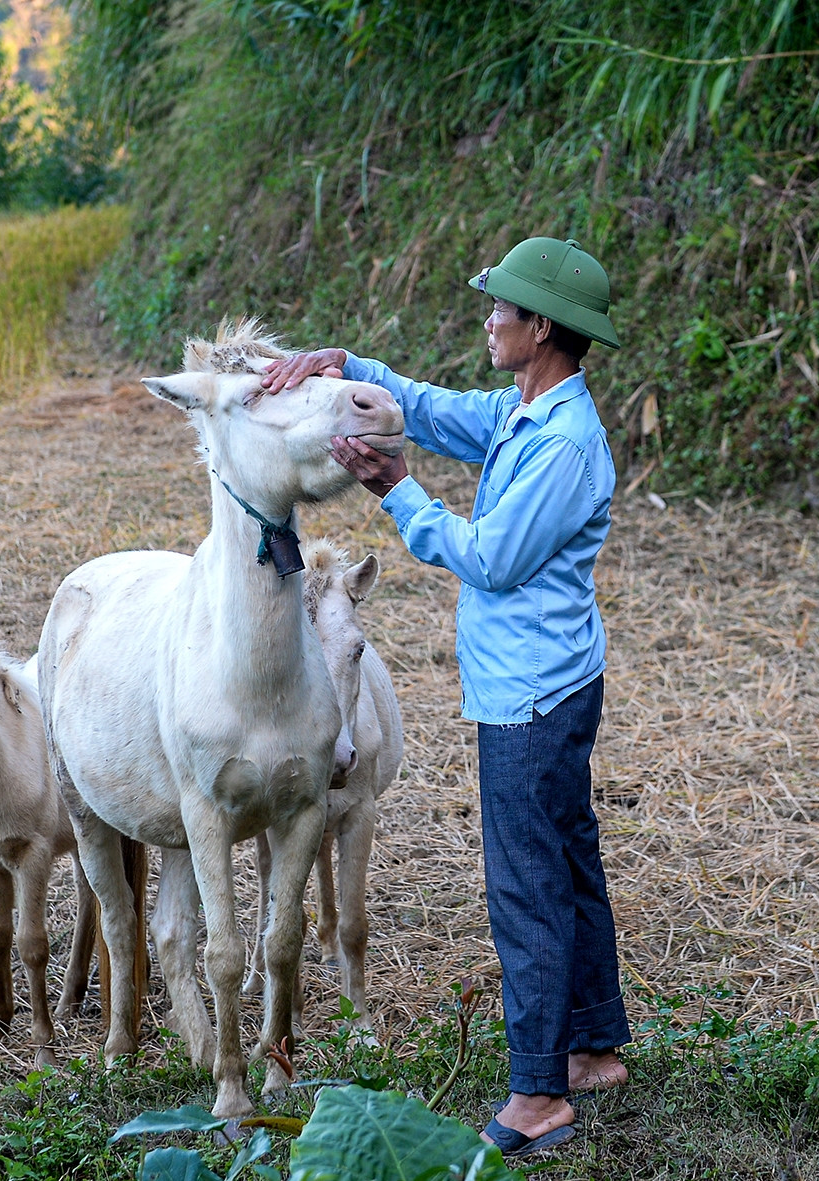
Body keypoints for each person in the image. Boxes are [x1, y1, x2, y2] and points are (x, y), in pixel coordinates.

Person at [261, 237, 629, 1158]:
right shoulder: (526, 411)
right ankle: (592, 1042)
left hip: (531, 697)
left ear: (539, 328)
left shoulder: (566, 446)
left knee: (527, 883)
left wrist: (396, 491)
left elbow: (492, 558)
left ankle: (539, 1093)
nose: (488, 319)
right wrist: (351, 368)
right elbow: (428, 409)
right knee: (569, 857)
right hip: (550, 677)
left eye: (500, 309)